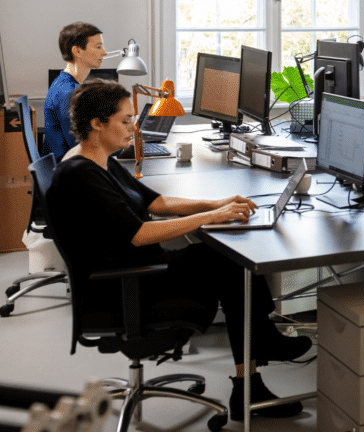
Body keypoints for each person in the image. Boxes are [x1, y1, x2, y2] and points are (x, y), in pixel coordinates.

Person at [46, 80, 312, 422]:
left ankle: (254, 368)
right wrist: (212, 217)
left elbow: (157, 201)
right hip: (122, 287)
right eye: (125, 121)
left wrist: (216, 203)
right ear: (97, 124)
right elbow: (139, 234)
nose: (133, 127)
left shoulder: (101, 160)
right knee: (228, 263)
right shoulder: (81, 174)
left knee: (227, 258)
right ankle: (258, 361)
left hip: (134, 268)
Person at [42, 22, 105, 160]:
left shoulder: (62, 83)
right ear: (77, 51)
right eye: (98, 47)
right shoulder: (69, 92)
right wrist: (123, 146)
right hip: (69, 171)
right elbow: (83, 147)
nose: (104, 52)